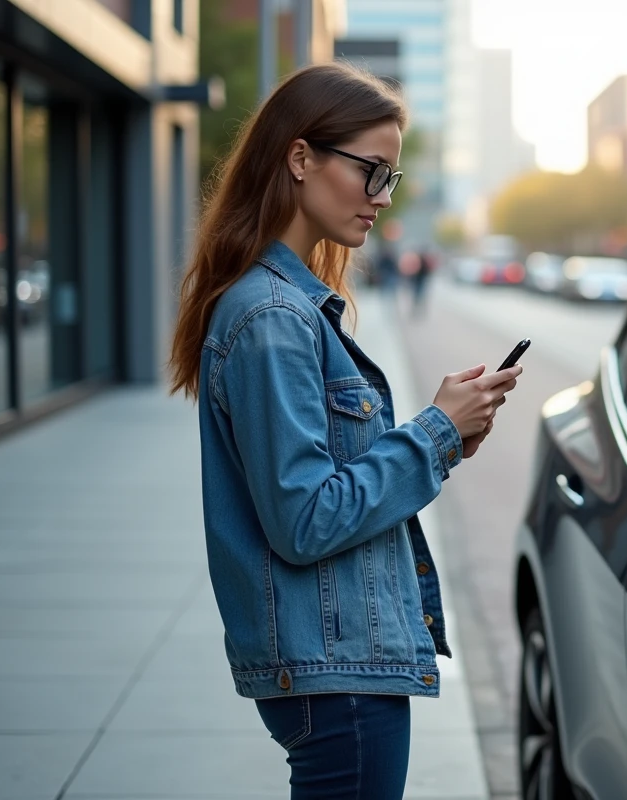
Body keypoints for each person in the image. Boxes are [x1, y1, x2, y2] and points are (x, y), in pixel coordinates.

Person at [166, 62, 522, 799]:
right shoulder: (272, 317)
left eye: (389, 179)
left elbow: (325, 481)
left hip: (337, 663)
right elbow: (305, 516)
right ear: (300, 158)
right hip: (337, 673)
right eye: (371, 171)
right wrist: (432, 433)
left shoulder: (281, 305)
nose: (381, 200)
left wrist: (448, 434)